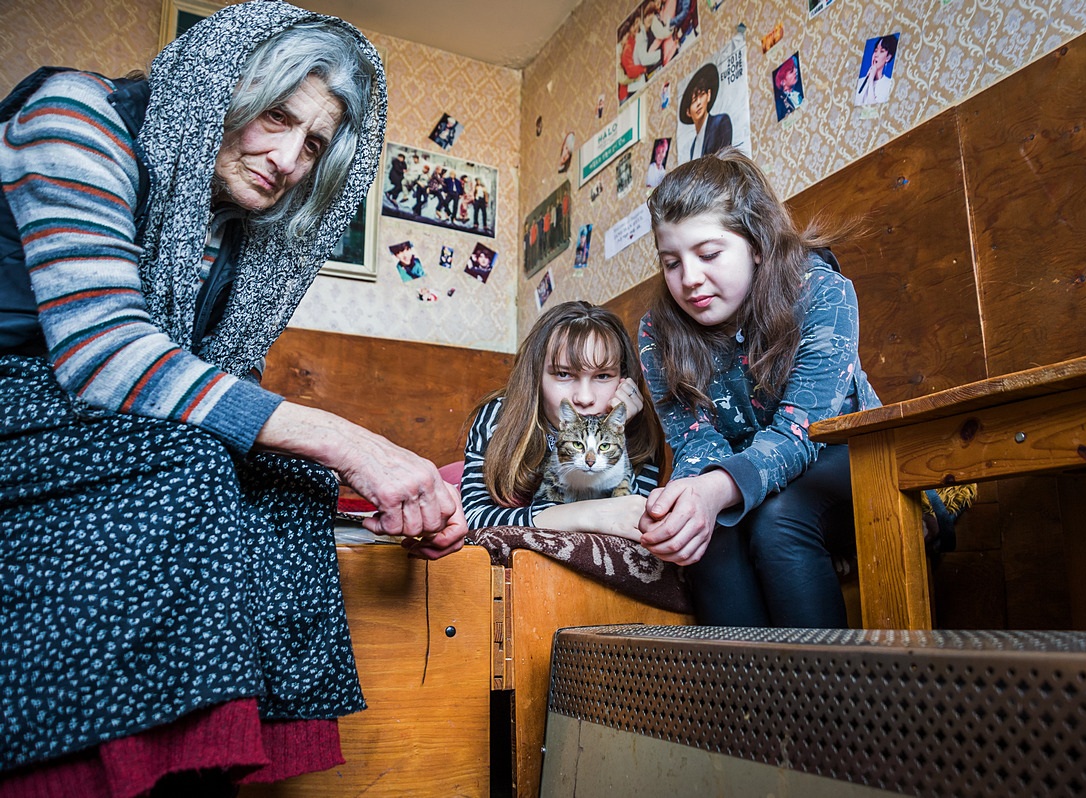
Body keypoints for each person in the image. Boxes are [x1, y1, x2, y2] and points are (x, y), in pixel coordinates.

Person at [0, 2, 465, 793]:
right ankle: (102, 768)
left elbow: (220, 393)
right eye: (276, 115)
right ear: (220, 86)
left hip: (81, 426)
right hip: (22, 393)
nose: (288, 158)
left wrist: (386, 495)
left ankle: (206, 771)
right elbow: (105, 352)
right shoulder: (75, 115)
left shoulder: (222, 228)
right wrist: (354, 443)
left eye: (314, 143)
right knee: (191, 465)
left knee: (292, 487)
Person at [635, 148, 880, 628]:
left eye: (708, 254)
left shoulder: (822, 292)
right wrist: (686, 500)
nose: (689, 279)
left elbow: (801, 432)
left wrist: (715, 489)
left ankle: (828, 701)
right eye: (671, 262)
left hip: (850, 457)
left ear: (757, 243)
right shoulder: (658, 332)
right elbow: (693, 441)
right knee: (708, 535)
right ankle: (744, 700)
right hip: (744, 475)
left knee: (778, 520)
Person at [463, 301, 665, 538]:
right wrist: (586, 514)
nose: (584, 398)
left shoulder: (639, 421)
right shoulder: (498, 416)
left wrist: (619, 435)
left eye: (603, 376)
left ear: (624, 378)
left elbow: (635, 516)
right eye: (563, 374)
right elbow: (474, 518)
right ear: (536, 376)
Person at [681, 63, 732, 160]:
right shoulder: (693, 146)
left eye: (702, 95)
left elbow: (726, 162)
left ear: (708, 95)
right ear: (688, 112)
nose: (699, 103)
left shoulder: (721, 122)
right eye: (693, 101)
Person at [855, 33, 897, 107]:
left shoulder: (888, 84)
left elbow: (873, 110)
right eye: (875, 50)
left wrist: (871, 80)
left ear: (888, 57)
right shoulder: (860, 82)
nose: (876, 55)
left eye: (881, 51)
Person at [773, 55, 803, 121]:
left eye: (795, 68)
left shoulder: (799, 94)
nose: (796, 71)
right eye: (791, 71)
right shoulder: (779, 103)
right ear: (783, 82)